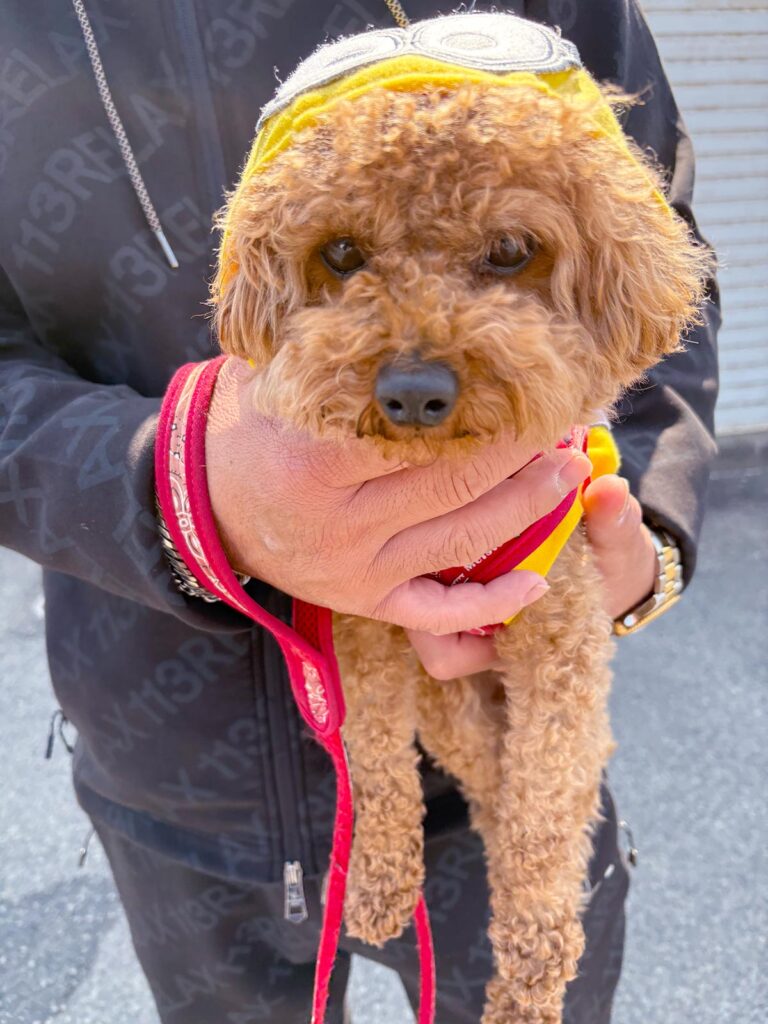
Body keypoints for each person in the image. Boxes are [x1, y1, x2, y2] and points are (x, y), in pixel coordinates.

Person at [0, 2, 718, 1022]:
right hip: (165, 767)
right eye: (343, 261)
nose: (419, 358)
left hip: (505, 766)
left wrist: (640, 529)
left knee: (538, 985)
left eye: (508, 251)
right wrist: (172, 485)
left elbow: (662, 262)